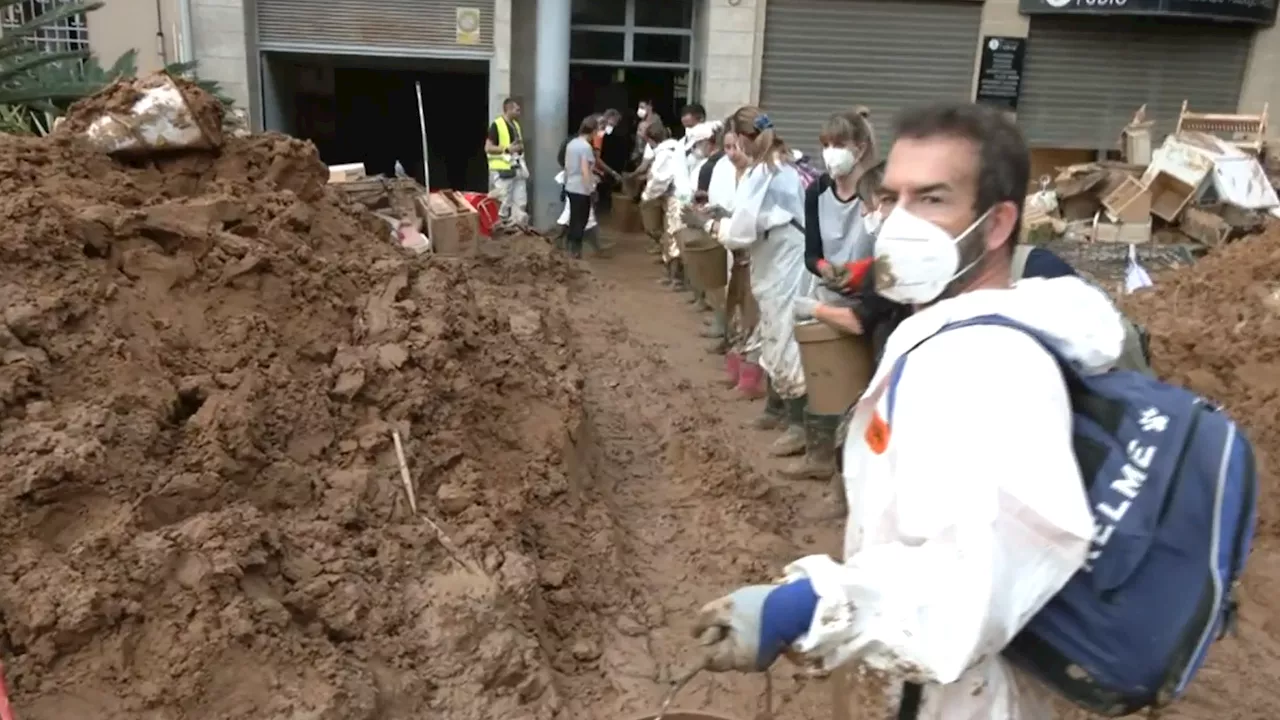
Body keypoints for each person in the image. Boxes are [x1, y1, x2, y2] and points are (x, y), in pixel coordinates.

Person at [689, 103, 1132, 719]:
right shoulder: (934, 330)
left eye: (931, 200)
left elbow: (975, 588)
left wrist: (813, 606)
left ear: (998, 223)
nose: (898, 222)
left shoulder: (1002, 366)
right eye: (894, 198)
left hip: (964, 698)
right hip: (908, 675)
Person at [682, 106, 811, 456]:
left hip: (784, 266)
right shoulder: (777, 166)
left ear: (741, 138)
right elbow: (755, 218)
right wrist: (726, 215)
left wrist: (706, 224)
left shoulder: (767, 172)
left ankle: (798, 426)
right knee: (771, 334)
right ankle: (779, 410)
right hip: (776, 262)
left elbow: (740, 233)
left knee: (784, 339)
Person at [772, 108, 881, 482]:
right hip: (828, 292)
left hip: (869, 300)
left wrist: (858, 277)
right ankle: (819, 456)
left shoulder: (876, 192)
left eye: (840, 144)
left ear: (861, 147)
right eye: (826, 145)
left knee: (860, 391)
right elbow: (812, 252)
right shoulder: (817, 190)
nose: (831, 153)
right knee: (822, 377)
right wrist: (826, 271)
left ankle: (848, 475)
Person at [708, 129, 766, 398]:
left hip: (756, 257)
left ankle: (750, 380)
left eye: (736, 147)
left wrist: (713, 224)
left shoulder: (760, 176)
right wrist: (722, 214)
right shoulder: (731, 172)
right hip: (739, 257)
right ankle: (735, 370)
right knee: (736, 311)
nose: (731, 153)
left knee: (752, 318)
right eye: (727, 147)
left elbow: (750, 224)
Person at [641, 121, 693, 288]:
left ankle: (676, 279)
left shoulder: (665, 154)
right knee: (671, 235)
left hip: (676, 198)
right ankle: (672, 276)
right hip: (678, 197)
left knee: (672, 236)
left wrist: (646, 196)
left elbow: (659, 180)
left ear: (651, 140)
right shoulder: (675, 148)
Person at [485, 98, 527, 227]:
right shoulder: (497, 125)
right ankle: (499, 229)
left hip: (517, 168)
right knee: (503, 201)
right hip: (503, 170)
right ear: (508, 109)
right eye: (517, 109)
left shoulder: (516, 125)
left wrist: (518, 149)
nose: (519, 112)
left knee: (520, 201)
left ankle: (518, 228)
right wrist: (507, 148)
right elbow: (488, 148)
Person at [562, 115, 598, 258]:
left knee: (573, 217)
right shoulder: (586, 147)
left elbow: (566, 166)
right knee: (580, 220)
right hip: (581, 188)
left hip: (570, 185)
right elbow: (585, 170)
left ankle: (570, 248)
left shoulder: (571, 144)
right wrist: (591, 189)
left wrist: (564, 184)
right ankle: (575, 251)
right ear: (593, 131)